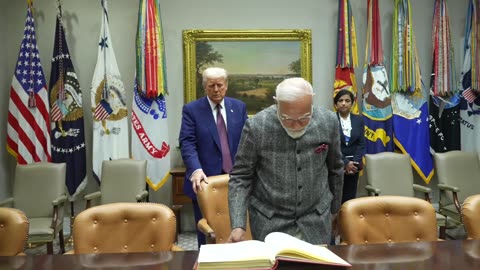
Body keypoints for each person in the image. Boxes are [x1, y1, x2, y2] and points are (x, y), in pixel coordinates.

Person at [228, 77, 344, 245]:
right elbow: (241, 176)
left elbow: (336, 169)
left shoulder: (328, 121)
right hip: (269, 221)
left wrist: (335, 210)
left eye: (304, 118)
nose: (296, 125)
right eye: (288, 119)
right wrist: (238, 225)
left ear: (311, 102)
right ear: (276, 103)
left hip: (316, 219)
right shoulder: (256, 126)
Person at [179, 67, 247, 248]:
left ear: (226, 86)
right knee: (208, 235)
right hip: (205, 182)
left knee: (239, 231)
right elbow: (187, 143)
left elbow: (247, 141)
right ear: (204, 87)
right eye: (211, 86)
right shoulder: (192, 110)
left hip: (236, 182)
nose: (216, 90)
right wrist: (195, 169)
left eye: (220, 85)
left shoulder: (238, 107)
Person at [333, 89, 365, 203]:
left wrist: (354, 164)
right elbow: (331, 145)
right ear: (335, 104)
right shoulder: (330, 120)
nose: (344, 103)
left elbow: (361, 143)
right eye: (340, 101)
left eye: (347, 100)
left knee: (350, 198)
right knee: (336, 197)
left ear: (352, 103)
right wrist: (345, 163)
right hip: (336, 163)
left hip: (354, 167)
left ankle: (348, 220)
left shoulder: (359, 120)